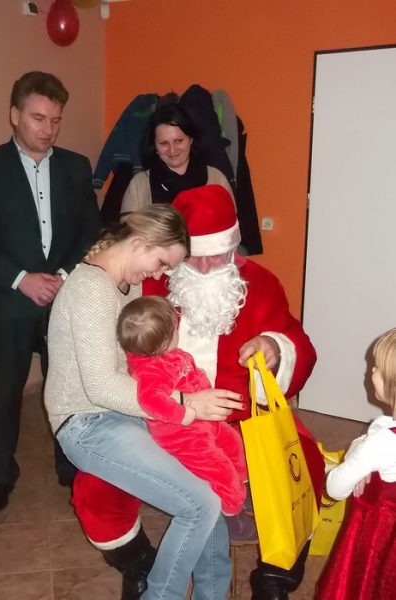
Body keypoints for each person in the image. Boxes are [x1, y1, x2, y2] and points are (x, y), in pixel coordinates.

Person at [71, 184, 326, 600]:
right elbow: (114, 357)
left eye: (217, 256)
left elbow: (301, 344)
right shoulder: (152, 281)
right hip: (160, 418)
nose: (205, 267)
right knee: (96, 486)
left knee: (304, 463)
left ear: (233, 247)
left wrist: (274, 347)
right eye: (196, 256)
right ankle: (140, 565)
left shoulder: (260, 283)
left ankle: (274, 580)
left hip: (242, 418)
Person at [44, 203, 244, 600]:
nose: (158, 275)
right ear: (140, 242)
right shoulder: (90, 288)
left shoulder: (125, 283)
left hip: (125, 414)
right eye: (160, 263)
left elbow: (138, 365)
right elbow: (101, 387)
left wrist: (178, 384)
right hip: (86, 423)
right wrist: (186, 402)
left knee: (209, 485)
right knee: (199, 505)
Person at [0, 71, 102, 513]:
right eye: (38, 118)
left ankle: (71, 467)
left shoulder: (76, 166)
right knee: (6, 391)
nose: (48, 129)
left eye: (55, 120)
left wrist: (61, 274)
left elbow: (90, 231)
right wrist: (23, 278)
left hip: (64, 295)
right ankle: (0, 474)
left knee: (68, 388)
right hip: (10, 300)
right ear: (14, 115)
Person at [117, 295, 257, 541]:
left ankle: (242, 491)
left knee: (235, 446)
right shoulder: (150, 371)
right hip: (183, 437)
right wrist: (183, 413)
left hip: (205, 423)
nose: (178, 331)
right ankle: (233, 518)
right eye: (174, 330)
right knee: (220, 470)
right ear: (163, 342)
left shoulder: (169, 355)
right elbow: (150, 401)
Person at [316, 328, 396, 600]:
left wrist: (358, 455)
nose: (371, 371)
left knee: (369, 586)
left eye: (377, 367)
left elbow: (335, 488)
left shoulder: (381, 443)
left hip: (380, 538)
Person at [119, 102, 235, 217]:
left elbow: (233, 225)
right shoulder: (138, 185)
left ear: (191, 139)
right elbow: (128, 228)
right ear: (154, 146)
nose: (172, 150)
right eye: (164, 143)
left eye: (178, 141)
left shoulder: (216, 179)